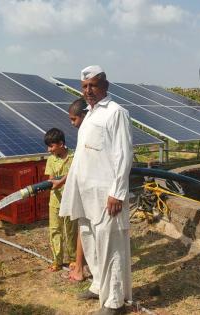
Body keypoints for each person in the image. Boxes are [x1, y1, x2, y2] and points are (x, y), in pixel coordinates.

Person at [60, 66, 133, 315]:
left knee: (109, 243)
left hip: (105, 193)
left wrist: (117, 192)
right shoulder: (89, 114)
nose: (88, 91)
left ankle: (114, 302)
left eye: (92, 85)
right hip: (85, 191)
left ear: (105, 86)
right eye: (84, 86)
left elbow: (124, 154)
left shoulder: (116, 113)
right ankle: (99, 285)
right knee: (90, 238)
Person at [44, 128, 77, 271]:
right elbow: (50, 179)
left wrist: (62, 180)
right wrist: (56, 182)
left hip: (70, 200)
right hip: (55, 201)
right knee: (55, 230)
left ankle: (73, 258)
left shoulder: (75, 156)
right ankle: (57, 260)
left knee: (70, 230)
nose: (49, 149)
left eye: (51, 146)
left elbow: (76, 174)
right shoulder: (51, 160)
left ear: (61, 144)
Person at [66, 98, 88, 282]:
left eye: (74, 119)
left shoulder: (90, 131)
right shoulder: (84, 132)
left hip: (93, 191)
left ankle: (81, 268)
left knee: (86, 227)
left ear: (84, 115)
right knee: (84, 226)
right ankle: (81, 266)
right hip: (85, 188)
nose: (72, 124)